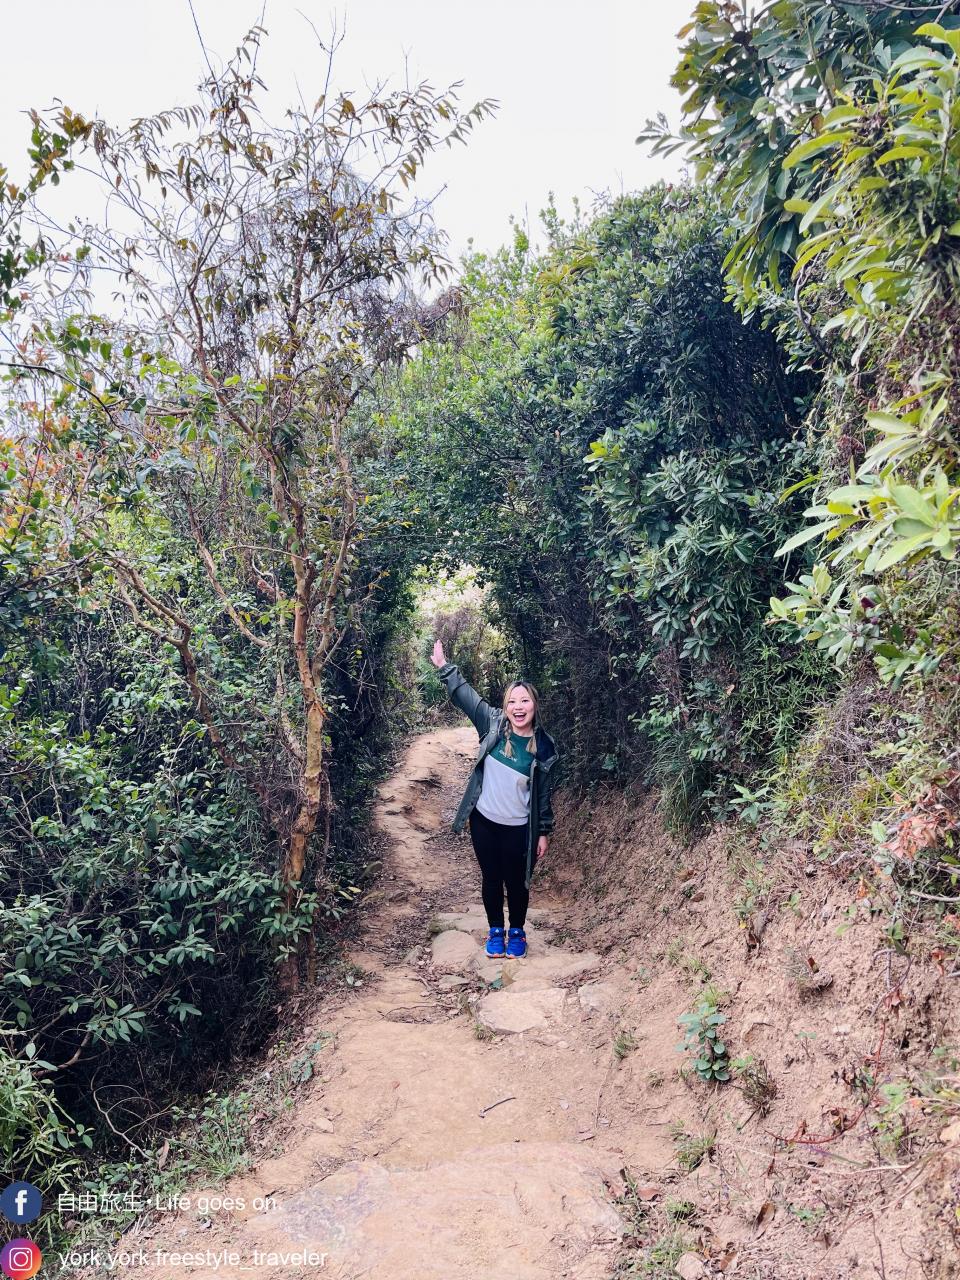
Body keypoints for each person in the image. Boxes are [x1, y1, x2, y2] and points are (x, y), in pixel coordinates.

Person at [429, 639, 560, 959]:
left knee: (517, 882)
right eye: (512, 701)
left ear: (534, 705)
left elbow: (543, 795)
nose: (518, 707)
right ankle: (495, 930)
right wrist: (445, 667)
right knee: (491, 878)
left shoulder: (543, 745)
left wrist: (543, 831)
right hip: (484, 822)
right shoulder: (493, 723)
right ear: (506, 706)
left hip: (519, 827)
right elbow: (467, 698)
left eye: (525, 701)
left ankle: (517, 932)